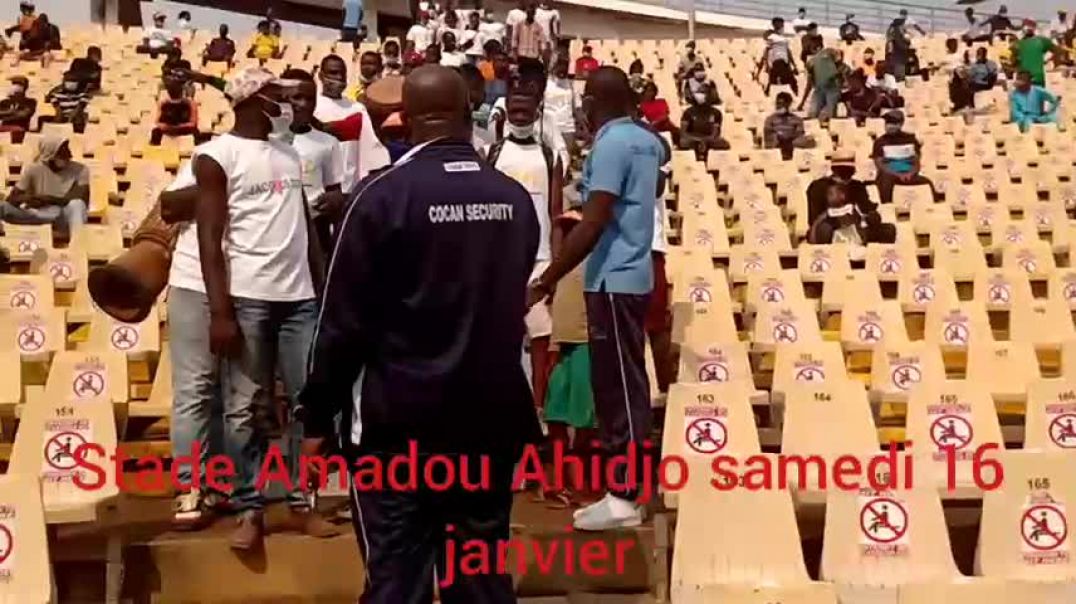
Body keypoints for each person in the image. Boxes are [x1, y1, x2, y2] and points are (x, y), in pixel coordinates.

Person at [300, 65, 540, 603]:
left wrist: (317, 415)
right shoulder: (514, 199)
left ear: (404, 119)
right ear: (466, 113)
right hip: (489, 427)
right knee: (478, 580)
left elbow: (341, 323)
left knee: (397, 584)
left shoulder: (379, 197)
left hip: (396, 429)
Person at [176, 67, 338, 549]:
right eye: (277, 95)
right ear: (252, 100)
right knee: (244, 408)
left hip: (300, 300)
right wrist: (221, 311)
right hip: (249, 298)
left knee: (308, 403)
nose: (286, 104)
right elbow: (209, 238)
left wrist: (322, 281)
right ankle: (250, 509)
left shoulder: (289, 152)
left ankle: (300, 501)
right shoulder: (215, 156)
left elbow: (304, 226)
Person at [527, 66, 666, 531]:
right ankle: (626, 492)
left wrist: (546, 280)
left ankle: (624, 496)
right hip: (634, 274)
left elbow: (593, 220)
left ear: (593, 103)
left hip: (613, 279)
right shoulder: (647, 139)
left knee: (618, 390)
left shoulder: (611, 143)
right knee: (627, 386)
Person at [487, 80, 564, 413]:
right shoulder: (493, 154)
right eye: (514, 111)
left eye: (526, 111)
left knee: (541, 336)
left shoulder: (549, 155)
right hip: (502, 259)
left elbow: (556, 211)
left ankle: (537, 407)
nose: (520, 117)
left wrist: (557, 265)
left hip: (541, 258)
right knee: (501, 336)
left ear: (536, 113)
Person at [541, 206, 597, 507]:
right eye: (563, 228)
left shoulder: (594, 262)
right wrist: (551, 349)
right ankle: (560, 480)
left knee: (582, 420)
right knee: (556, 416)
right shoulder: (558, 267)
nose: (566, 233)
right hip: (561, 345)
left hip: (585, 343)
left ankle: (581, 483)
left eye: (572, 228)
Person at [281, 68, 345, 258]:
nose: (305, 104)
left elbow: (334, 189)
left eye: (310, 99)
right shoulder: (266, 141)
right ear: (282, 99)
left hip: (315, 229)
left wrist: (334, 202)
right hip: (278, 227)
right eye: (297, 98)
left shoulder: (327, 142)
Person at [315, 54, 389, 190]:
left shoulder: (357, 109)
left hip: (350, 186)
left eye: (342, 73)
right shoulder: (313, 108)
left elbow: (371, 149)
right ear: (321, 76)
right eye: (333, 73)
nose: (338, 78)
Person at [0, 135, 88, 233]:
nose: (69, 154)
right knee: (2, 206)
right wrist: (27, 198)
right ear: (51, 154)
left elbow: (79, 197)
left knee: (77, 205)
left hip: (61, 216)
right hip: (35, 213)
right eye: (63, 151)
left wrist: (48, 199)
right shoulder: (33, 169)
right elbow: (11, 199)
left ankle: (78, 242)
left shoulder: (80, 170)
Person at [806, 149, 885, 228]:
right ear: (834, 169)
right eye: (843, 169)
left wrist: (871, 215)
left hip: (855, 225)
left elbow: (866, 208)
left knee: (888, 229)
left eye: (849, 169)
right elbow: (815, 217)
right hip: (829, 225)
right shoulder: (818, 187)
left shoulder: (857, 186)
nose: (847, 173)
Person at [872, 110, 934, 205]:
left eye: (893, 123)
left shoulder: (910, 139)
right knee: (885, 183)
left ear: (900, 124)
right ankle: (888, 207)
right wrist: (898, 175)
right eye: (887, 123)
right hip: (889, 174)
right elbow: (880, 164)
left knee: (927, 183)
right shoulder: (880, 142)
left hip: (909, 174)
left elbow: (916, 162)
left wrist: (910, 173)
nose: (889, 126)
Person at [808, 180, 896, 246]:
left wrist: (866, 218)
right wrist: (818, 222)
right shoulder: (823, 217)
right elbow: (813, 240)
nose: (829, 197)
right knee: (824, 229)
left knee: (889, 229)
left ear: (843, 195)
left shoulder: (856, 207)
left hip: (860, 237)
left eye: (832, 193)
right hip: (837, 243)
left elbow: (869, 221)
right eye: (828, 194)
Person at [151, 67, 199, 145]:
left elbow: (193, 123)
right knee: (155, 132)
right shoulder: (163, 103)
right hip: (168, 129)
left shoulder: (190, 103)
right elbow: (157, 122)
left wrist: (178, 127)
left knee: (196, 132)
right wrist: (167, 127)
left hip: (184, 129)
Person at [679, 86, 729, 160]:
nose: (700, 95)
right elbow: (683, 132)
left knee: (723, 143)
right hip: (693, 138)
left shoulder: (716, 113)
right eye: (698, 93)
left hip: (709, 139)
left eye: (703, 93)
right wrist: (698, 140)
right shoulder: (688, 112)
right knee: (683, 142)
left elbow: (715, 133)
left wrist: (705, 140)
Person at [763, 92, 814, 160]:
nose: (779, 106)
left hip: (792, 142)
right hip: (777, 142)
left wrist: (789, 137)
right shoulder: (770, 119)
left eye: (782, 103)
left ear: (788, 104)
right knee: (774, 139)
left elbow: (799, 132)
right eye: (777, 103)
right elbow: (768, 132)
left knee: (808, 139)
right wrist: (779, 136)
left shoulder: (797, 119)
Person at [757, 18, 798, 95]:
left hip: (784, 63)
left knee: (791, 81)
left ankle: (795, 95)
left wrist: (794, 65)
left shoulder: (783, 39)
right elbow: (766, 52)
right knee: (775, 81)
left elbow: (788, 52)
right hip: (776, 63)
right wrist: (766, 65)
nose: (782, 27)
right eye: (781, 25)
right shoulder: (772, 37)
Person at [545, 55, 579, 148]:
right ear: (553, 65)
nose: (563, 68)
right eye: (560, 65)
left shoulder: (571, 85)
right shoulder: (545, 83)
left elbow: (576, 108)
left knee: (567, 159)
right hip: (549, 127)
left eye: (565, 65)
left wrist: (583, 126)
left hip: (567, 128)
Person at [800, 47, 841, 120]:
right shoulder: (827, 53)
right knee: (830, 115)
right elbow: (839, 56)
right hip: (827, 88)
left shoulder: (812, 62)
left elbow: (808, 85)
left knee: (816, 114)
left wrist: (802, 103)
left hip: (828, 88)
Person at [1014, 20, 1059, 86]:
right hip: (1038, 77)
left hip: (1023, 78)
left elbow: (1012, 61)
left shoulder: (1018, 44)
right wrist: (1046, 60)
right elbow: (1057, 50)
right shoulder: (1042, 41)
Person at [0, 75, 35, 142]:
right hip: (4, 127)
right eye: (13, 84)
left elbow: (23, 115)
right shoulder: (4, 102)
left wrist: (6, 114)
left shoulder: (30, 102)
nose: (14, 86)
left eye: (17, 84)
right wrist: (13, 112)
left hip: (19, 128)